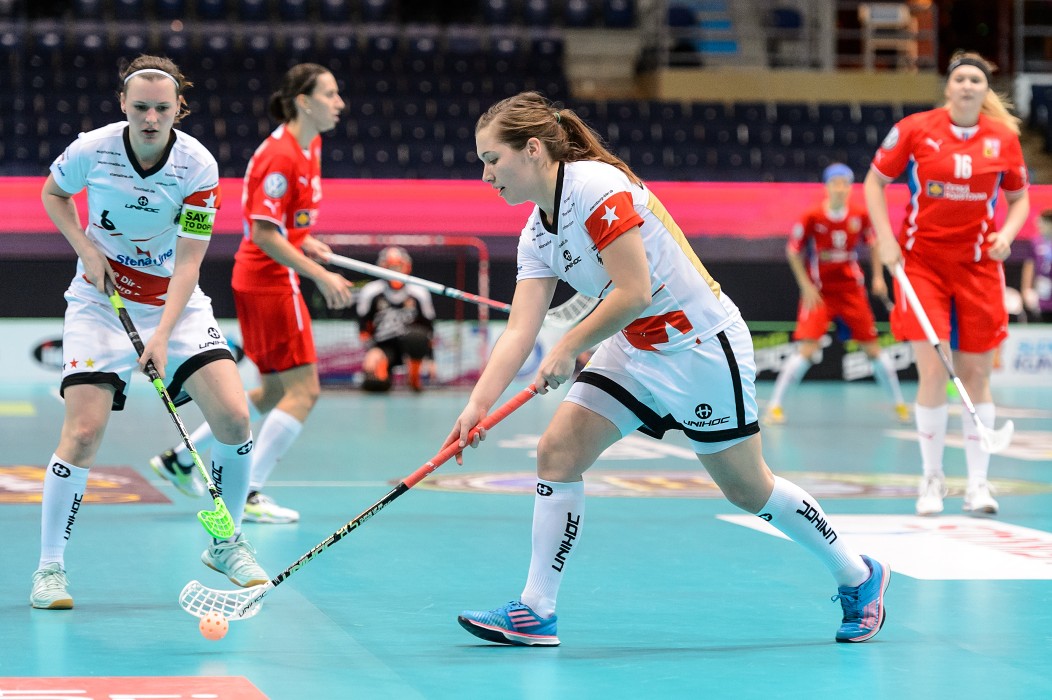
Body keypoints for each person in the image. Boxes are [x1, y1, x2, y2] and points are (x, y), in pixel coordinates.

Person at [448, 91, 890, 647]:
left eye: (491, 160)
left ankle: (859, 574)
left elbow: (633, 292)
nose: (485, 174)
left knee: (748, 489)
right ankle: (537, 608)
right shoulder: (537, 233)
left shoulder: (595, 190)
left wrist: (571, 346)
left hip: (700, 347)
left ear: (532, 150)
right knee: (557, 452)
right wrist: (477, 406)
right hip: (635, 350)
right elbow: (520, 329)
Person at [32, 55, 268, 609]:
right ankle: (49, 570)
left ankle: (225, 540)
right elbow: (53, 194)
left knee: (234, 416)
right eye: (140, 107)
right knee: (84, 433)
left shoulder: (197, 166)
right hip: (99, 302)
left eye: (163, 108)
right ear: (123, 105)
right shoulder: (92, 149)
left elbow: (190, 261)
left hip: (175, 306)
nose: (151, 117)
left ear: (177, 109)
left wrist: (161, 335)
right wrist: (85, 249)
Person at [148, 63, 353, 524]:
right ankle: (250, 494)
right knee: (305, 392)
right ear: (304, 100)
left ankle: (182, 457)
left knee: (276, 389)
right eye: (331, 94)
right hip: (270, 281)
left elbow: (284, 225)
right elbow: (262, 232)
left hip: (267, 276)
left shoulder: (310, 145)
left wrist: (306, 242)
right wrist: (319, 274)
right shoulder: (280, 156)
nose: (339, 104)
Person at [864, 51, 1030, 517]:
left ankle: (978, 484)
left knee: (977, 374)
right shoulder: (916, 129)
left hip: (979, 267)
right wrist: (885, 240)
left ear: (985, 90)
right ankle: (931, 479)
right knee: (935, 369)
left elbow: (1019, 200)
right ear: (949, 87)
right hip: (922, 266)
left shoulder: (1004, 139)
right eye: (960, 78)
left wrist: (1007, 235)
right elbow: (874, 183)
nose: (967, 85)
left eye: (976, 79)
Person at [763, 163, 909, 425]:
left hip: (851, 291)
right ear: (827, 186)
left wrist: (877, 276)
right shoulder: (812, 216)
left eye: (845, 183)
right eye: (836, 183)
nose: (841, 188)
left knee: (873, 350)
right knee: (806, 350)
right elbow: (793, 250)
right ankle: (775, 407)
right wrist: (805, 285)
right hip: (820, 293)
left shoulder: (859, 214)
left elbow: (874, 243)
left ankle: (899, 405)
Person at [356, 246, 436, 392]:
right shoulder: (371, 292)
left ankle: (414, 376)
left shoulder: (419, 292)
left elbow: (429, 330)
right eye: (391, 267)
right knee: (374, 384)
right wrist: (371, 352)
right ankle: (383, 372)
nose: (395, 272)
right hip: (383, 347)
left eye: (398, 267)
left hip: (409, 346)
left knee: (417, 336)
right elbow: (363, 328)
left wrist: (431, 359)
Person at [1020, 209, 1052, 322]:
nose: (1039, 227)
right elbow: (1029, 267)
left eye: (1042, 224)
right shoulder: (1036, 242)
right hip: (1043, 294)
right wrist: (1026, 290)